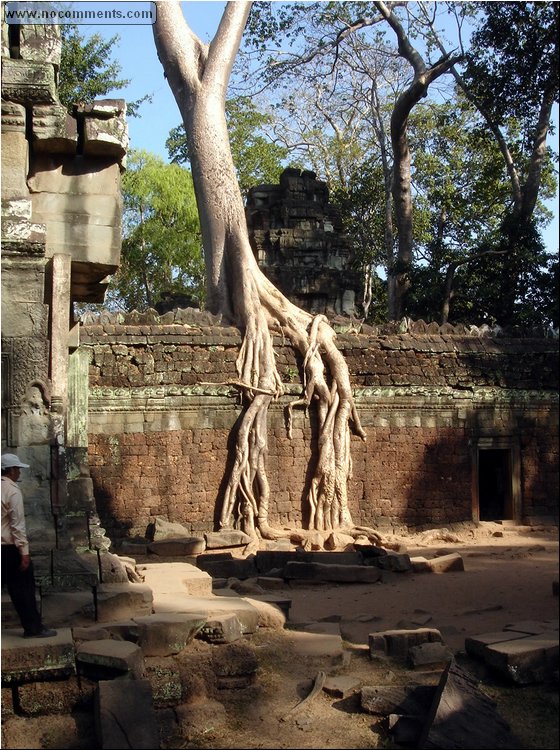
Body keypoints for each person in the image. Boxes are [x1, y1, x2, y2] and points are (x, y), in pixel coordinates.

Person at [1, 452, 57, 638]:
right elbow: (17, 525)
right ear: (10, 471)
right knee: (23, 589)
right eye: (17, 469)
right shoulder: (12, 491)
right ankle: (33, 628)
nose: (19, 473)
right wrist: (24, 552)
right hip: (8, 548)